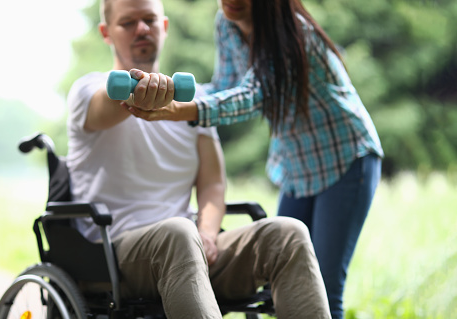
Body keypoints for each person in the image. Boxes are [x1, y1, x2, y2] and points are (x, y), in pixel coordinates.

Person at [66, 0, 331, 318]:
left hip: (191, 247)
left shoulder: (195, 102)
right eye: (128, 22)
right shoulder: (88, 90)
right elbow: (104, 106)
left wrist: (207, 233)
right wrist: (133, 92)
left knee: (288, 233)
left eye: (149, 20)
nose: (141, 29)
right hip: (116, 255)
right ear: (106, 33)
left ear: (163, 27)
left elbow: (213, 182)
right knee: (178, 233)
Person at [125, 0, 384, 318]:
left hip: (347, 157)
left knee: (326, 287)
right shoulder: (227, 23)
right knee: (283, 279)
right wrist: (165, 92)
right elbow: (224, 87)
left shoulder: (294, 35)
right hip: (298, 165)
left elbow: (252, 95)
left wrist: (180, 111)